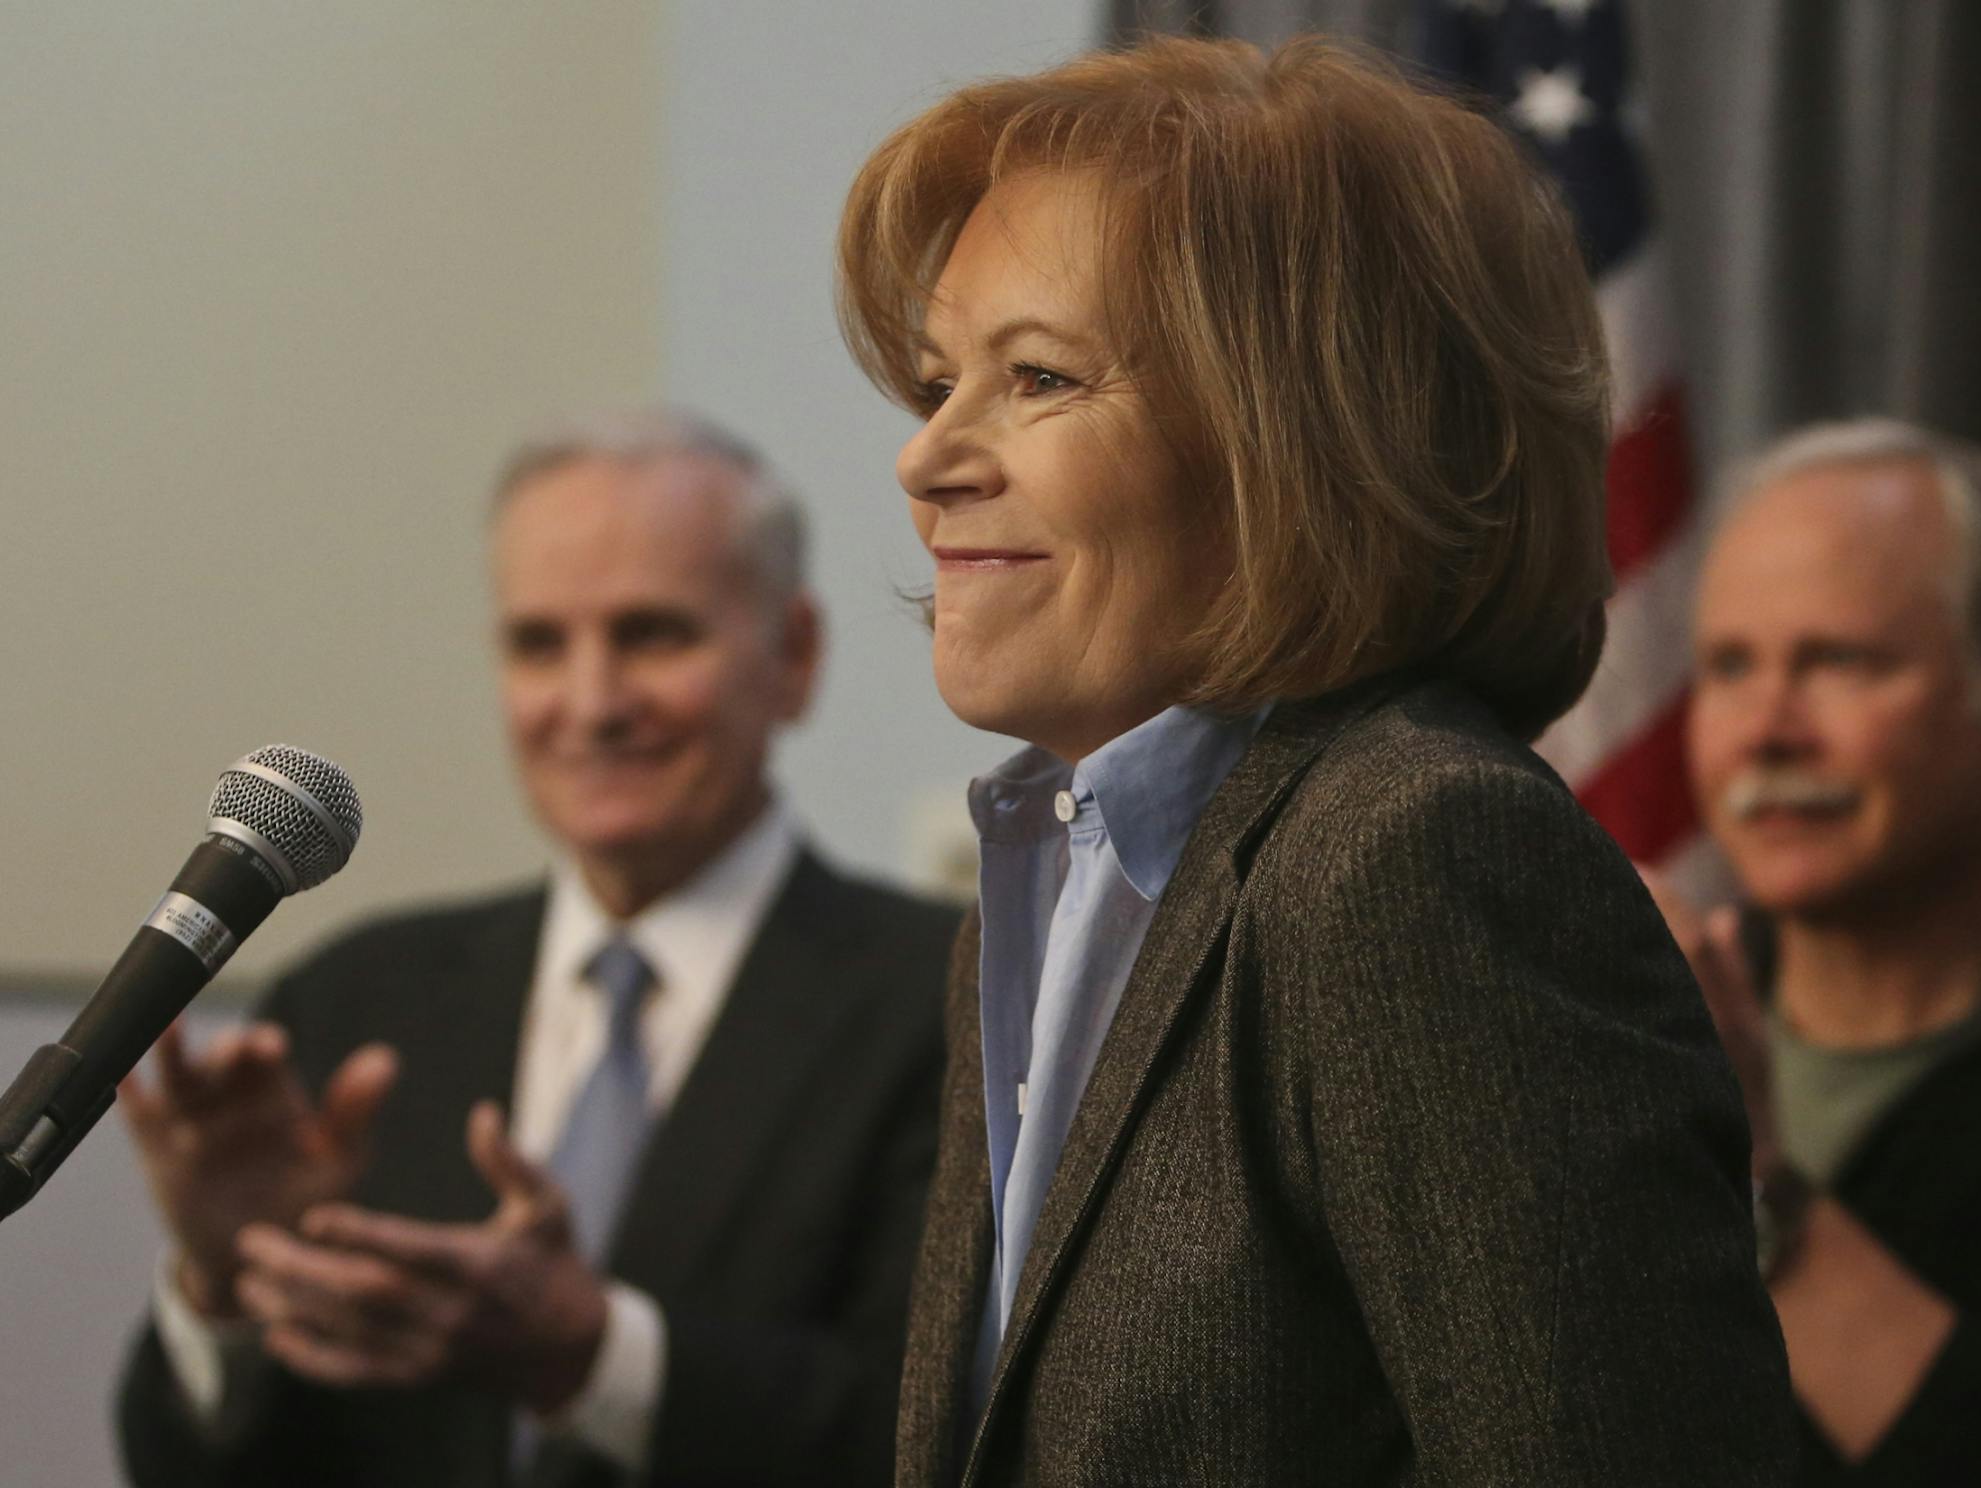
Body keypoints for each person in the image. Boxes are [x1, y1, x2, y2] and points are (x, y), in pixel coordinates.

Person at [833, 35, 1794, 1487]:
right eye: (934, 383)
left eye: (1036, 378)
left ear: (1299, 432)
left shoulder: (1419, 859)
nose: (928, 459)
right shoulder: (1039, 890)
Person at [112, 410, 960, 1488]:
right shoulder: (360, 993)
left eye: (653, 634)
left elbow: (953, 1437)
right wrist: (225, 1288)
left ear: (792, 657)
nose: (592, 704)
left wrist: (593, 1357)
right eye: (539, 645)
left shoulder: (951, 998)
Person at [1658, 416, 1981, 1483]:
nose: (1764, 730)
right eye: (1730, 666)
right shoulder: (1636, 1021)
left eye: (1838, 660)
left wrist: (1757, 1188)